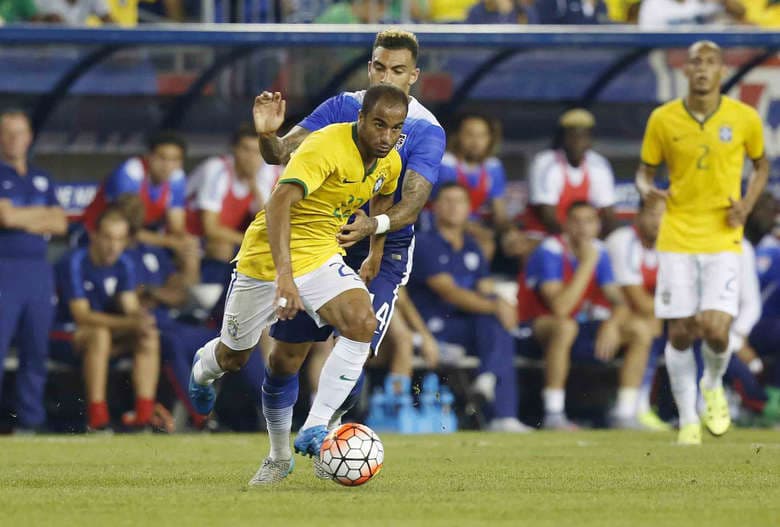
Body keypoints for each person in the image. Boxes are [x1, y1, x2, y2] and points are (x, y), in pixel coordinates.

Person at [188, 84, 407, 485]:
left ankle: (316, 425)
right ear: (360, 119)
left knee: (361, 322)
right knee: (234, 358)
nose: (386, 136)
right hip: (267, 255)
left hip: (321, 252)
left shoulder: (388, 159)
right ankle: (203, 368)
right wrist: (284, 279)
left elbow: (383, 199)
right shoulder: (326, 146)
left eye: (395, 129)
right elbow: (277, 204)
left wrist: (375, 250)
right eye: (378, 125)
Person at [255, 29, 445, 475]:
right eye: (379, 67)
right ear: (369, 67)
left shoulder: (426, 130)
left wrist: (374, 228)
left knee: (357, 334)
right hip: (321, 236)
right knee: (286, 357)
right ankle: (279, 455)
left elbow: (413, 200)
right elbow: (280, 154)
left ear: (414, 75)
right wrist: (268, 136)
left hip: (384, 245)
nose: (387, 76)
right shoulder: (343, 107)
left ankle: (322, 432)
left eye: (398, 70)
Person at [636, 40, 769, 444]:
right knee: (680, 330)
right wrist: (647, 190)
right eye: (695, 62)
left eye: (710, 62)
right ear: (685, 70)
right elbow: (645, 172)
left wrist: (746, 205)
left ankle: (712, 383)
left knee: (715, 328)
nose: (702, 69)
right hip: (677, 233)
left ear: (721, 72)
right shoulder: (663, 119)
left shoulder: (744, 118)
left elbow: (761, 166)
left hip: (722, 235)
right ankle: (688, 418)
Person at [520, 201, 652, 430]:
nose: (583, 227)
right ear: (566, 225)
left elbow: (618, 301)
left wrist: (612, 323)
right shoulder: (551, 250)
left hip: (578, 326)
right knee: (565, 326)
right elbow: (560, 307)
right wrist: (587, 263)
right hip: (534, 328)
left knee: (639, 329)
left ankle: (625, 412)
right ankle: (554, 413)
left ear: (598, 226)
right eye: (576, 221)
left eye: (589, 221)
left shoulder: (599, 250)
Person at [409, 182, 527, 432]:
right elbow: (449, 292)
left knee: (496, 324)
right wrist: (496, 307)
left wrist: (500, 302)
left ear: (468, 209)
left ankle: (490, 388)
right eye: (448, 201)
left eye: (460, 202)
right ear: (436, 207)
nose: (454, 207)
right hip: (432, 328)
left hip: (466, 326)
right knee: (496, 321)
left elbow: (484, 288)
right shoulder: (423, 242)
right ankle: (502, 412)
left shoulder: (472, 245)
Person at [53, 207, 159, 431]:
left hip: (104, 337)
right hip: (64, 333)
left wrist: (139, 318)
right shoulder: (75, 261)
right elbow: (81, 316)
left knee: (148, 335)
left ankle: (144, 415)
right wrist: (130, 323)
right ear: (94, 235)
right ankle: (97, 417)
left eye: (120, 239)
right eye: (108, 238)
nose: (114, 246)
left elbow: (129, 306)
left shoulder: (124, 263)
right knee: (99, 335)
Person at [0, 109, 67, 433]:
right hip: (5, 269)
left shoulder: (42, 177)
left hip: (38, 272)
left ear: (29, 137)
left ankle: (29, 422)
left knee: (35, 350)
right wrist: (39, 216)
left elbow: (60, 222)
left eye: (20, 132)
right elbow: (5, 219)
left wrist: (21, 215)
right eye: (8, 132)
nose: (15, 139)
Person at [605, 198, 670, 431]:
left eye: (664, 215)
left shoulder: (670, 244)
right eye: (652, 214)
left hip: (645, 319)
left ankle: (698, 404)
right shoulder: (623, 241)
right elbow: (637, 300)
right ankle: (637, 406)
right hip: (608, 317)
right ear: (638, 215)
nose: (658, 221)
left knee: (694, 325)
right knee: (649, 321)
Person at [81, 131, 196, 257]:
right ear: (149, 157)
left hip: (145, 237)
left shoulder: (177, 178)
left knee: (190, 255)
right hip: (101, 235)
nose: (168, 165)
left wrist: (185, 241)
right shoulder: (131, 173)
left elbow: (176, 225)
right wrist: (169, 242)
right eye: (162, 158)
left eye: (175, 160)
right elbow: (127, 229)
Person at [186, 124, 280, 262]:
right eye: (246, 150)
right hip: (191, 235)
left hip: (227, 237)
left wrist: (254, 186)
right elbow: (210, 228)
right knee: (222, 249)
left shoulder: (263, 174)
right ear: (234, 149)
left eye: (257, 152)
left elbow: (266, 223)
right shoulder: (217, 170)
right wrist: (254, 242)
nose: (251, 157)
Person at [526, 108, 617, 238]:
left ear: (590, 140)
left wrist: (594, 244)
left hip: (583, 240)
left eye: (583, 137)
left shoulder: (599, 164)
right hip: (544, 236)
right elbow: (547, 217)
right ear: (563, 138)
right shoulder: (545, 163)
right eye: (572, 136)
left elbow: (609, 216)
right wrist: (572, 245)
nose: (577, 142)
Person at [436, 113, 509, 260]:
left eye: (482, 136)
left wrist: (510, 231)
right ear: (457, 136)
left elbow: (500, 212)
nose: (476, 142)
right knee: (484, 244)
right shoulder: (446, 163)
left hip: (475, 225)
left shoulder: (493, 167)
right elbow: (447, 212)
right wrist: (478, 231)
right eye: (469, 134)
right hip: (441, 224)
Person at [35, 0, 115, 25]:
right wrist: (46, 20)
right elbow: (32, 22)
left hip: (81, 53)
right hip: (49, 53)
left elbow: (111, 24)